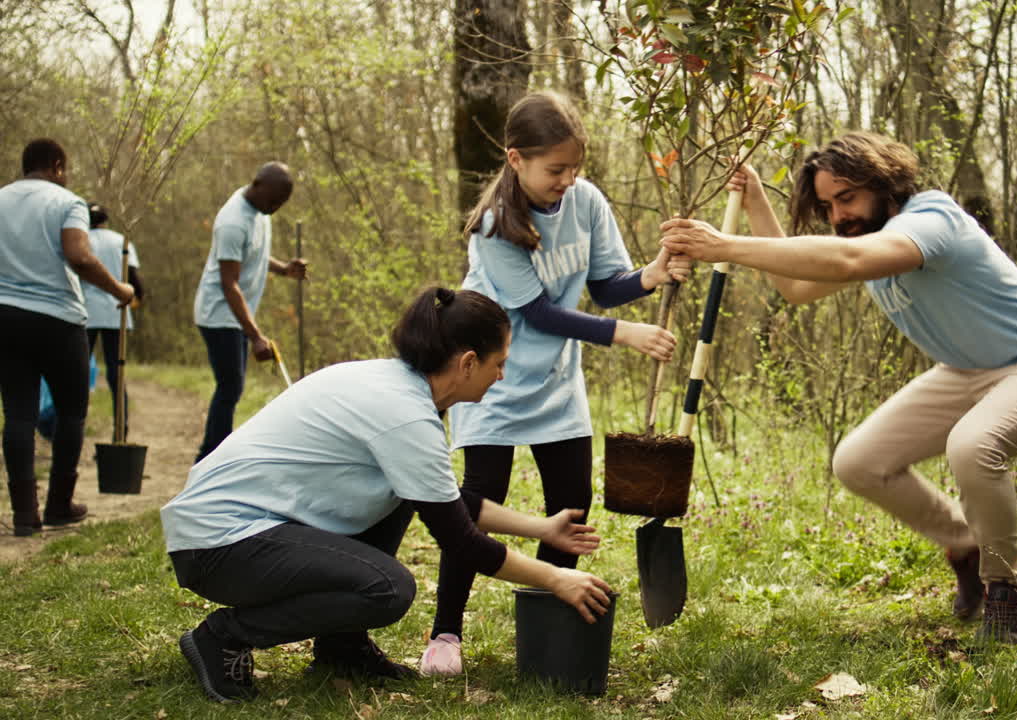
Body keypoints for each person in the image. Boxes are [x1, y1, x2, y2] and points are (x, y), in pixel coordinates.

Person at [660, 131, 1017, 645]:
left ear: (886, 183)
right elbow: (798, 285)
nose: (839, 216)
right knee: (858, 462)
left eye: (847, 197)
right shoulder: (864, 239)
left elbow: (848, 261)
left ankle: (1006, 587)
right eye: (827, 206)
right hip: (966, 371)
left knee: (974, 447)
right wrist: (755, 200)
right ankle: (966, 545)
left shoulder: (931, 220)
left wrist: (724, 246)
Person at [161, 286, 613, 703]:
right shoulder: (404, 414)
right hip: (218, 544)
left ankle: (343, 646)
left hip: (240, 533)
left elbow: (442, 497)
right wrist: (556, 579)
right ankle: (223, 636)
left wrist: (542, 528)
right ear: (468, 362)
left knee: (404, 495)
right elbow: (461, 541)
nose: (502, 375)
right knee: (388, 589)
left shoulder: (397, 387)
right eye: (500, 362)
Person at [421, 91, 690, 675]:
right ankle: (445, 633)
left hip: (555, 383)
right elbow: (539, 313)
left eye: (574, 168)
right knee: (472, 504)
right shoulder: (494, 225)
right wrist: (627, 335)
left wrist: (652, 273)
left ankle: (545, 622)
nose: (567, 180)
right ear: (516, 160)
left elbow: (607, 284)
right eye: (555, 170)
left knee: (571, 506)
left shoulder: (586, 201)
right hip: (488, 379)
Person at [0, 138, 135, 536]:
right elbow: (79, 255)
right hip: (57, 319)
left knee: (18, 413)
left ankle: (25, 514)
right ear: (57, 165)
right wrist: (119, 291)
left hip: (5, 318)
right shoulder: (67, 202)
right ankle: (59, 505)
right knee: (71, 411)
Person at [192, 162, 307, 462]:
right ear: (257, 185)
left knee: (231, 387)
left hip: (234, 314)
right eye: (273, 201)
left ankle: (214, 457)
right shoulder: (232, 221)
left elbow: (253, 251)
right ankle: (209, 460)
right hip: (219, 314)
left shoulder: (259, 210)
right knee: (230, 387)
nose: (275, 208)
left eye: (280, 204)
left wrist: (284, 269)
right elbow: (229, 283)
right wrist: (255, 336)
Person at [84, 202, 145, 434]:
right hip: (117, 311)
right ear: (106, 220)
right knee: (116, 374)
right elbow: (134, 281)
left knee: (79, 373)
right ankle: (121, 428)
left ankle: (72, 427)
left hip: (86, 312)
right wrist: (135, 300)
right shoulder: (121, 241)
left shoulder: (81, 240)